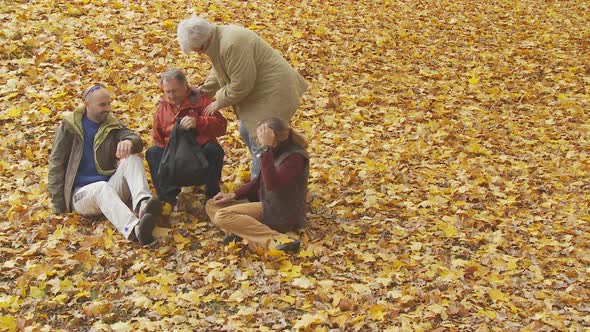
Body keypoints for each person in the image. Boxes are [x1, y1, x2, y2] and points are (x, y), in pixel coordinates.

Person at [177, 16, 309, 179]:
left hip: (276, 91)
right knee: (245, 130)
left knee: (260, 138)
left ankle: (260, 188)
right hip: (261, 92)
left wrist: (219, 101)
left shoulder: (231, 44)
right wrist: (205, 90)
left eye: (198, 50)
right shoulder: (217, 40)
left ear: (204, 43)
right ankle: (281, 174)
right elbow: (219, 69)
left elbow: (242, 84)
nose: (199, 54)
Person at [48, 83, 162, 246]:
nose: (107, 108)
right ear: (87, 105)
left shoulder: (111, 124)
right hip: (81, 195)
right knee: (100, 187)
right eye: (102, 105)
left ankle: (144, 205)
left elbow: (136, 139)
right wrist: (58, 206)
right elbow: (56, 164)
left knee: (132, 158)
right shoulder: (69, 127)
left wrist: (129, 141)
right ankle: (135, 230)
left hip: (109, 187)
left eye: (109, 103)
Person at [205, 118, 309, 253]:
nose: (258, 140)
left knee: (222, 216)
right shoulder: (276, 151)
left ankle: (277, 240)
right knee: (212, 204)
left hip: (281, 212)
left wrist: (266, 149)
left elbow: (272, 184)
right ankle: (242, 232)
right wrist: (233, 195)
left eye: (261, 137)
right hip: (268, 204)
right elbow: (258, 181)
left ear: (274, 139)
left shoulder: (295, 158)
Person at [146, 68, 227, 206]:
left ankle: (212, 195)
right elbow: (158, 139)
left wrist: (198, 122)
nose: (171, 95)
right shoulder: (162, 108)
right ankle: (168, 199)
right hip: (173, 158)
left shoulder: (200, 100)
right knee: (152, 153)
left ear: (185, 86)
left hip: (199, 157)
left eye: (175, 90)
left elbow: (221, 126)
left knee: (214, 149)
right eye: (168, 92)